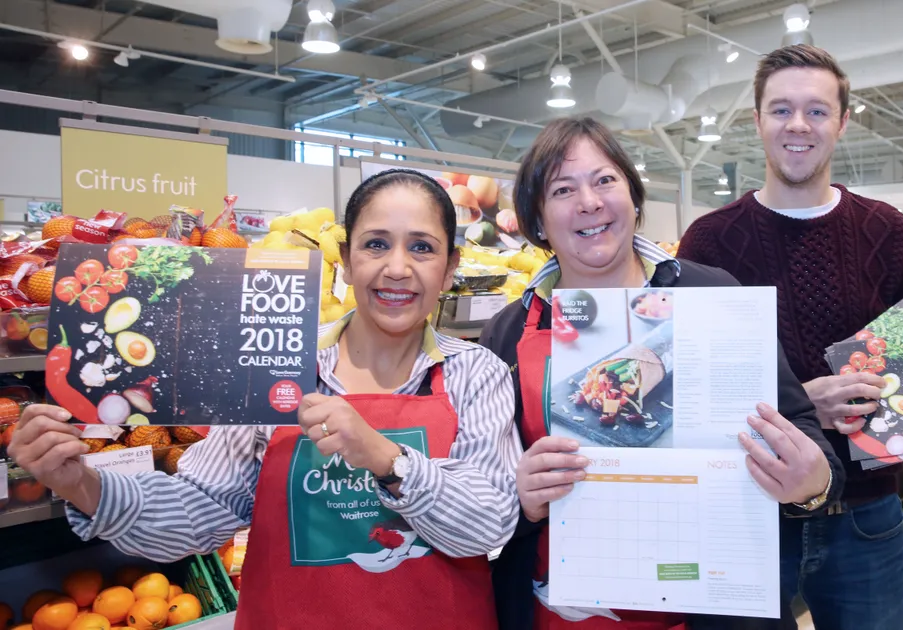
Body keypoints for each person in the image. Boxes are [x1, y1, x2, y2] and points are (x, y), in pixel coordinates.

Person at [10, 169, 522, 629]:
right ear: (345, 260)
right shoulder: (276, 363)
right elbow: (200, 509)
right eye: (375, 244)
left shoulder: (476, 374)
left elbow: (487, 525)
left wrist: (387, 459)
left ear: (450, 268)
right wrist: (81, 484)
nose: (397, 267)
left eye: (422, 248)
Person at [676, 45, 903, 630]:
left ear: (843, 122)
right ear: (757, 120)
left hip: (865, 515)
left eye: (817, 111)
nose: (798, 125)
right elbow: (687, 392)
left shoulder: (886, 230)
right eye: (781, 109)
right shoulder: (708, 241)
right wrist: (803, 404)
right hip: (747, 510)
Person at [480, 117, 846, 630]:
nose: (589, 202)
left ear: (633, 197)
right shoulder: (508, 332)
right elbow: (483, 490)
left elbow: (804, 432)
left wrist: (813, 482)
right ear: (537, 220)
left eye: (605, 180)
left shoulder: (714, 294)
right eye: (562, 190)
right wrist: (520, 499)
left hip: (713, 605)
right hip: (562, 607)